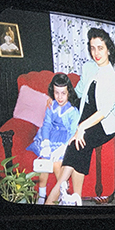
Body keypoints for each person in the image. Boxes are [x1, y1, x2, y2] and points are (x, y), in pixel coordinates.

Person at [46, 28, 115, 206]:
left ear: (109, 49)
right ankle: (76, 199)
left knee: (78, 143)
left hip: (103, 123)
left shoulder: (114, 79)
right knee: (79, 146)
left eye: (100, 48)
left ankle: (53, 196)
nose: (96, 53)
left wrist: (81, 128)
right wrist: (57, 99)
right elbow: (78, 92)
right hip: (85, 114)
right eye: (92, 48)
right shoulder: (88, 67)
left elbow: (103, 112)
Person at [27, 73, 80, 204]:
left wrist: (63, 148)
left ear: (69, 93)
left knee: (57, 163)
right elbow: (46, 124)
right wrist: (45, 142)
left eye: (63, 93)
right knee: (44, 161)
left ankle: (62, 192)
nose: (60, 97)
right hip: (50, 136)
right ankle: (41, 195)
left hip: (64, 139)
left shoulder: (72, 111)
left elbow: (72, 132)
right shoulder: (51, 106)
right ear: (53, 92)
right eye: (57, 93)